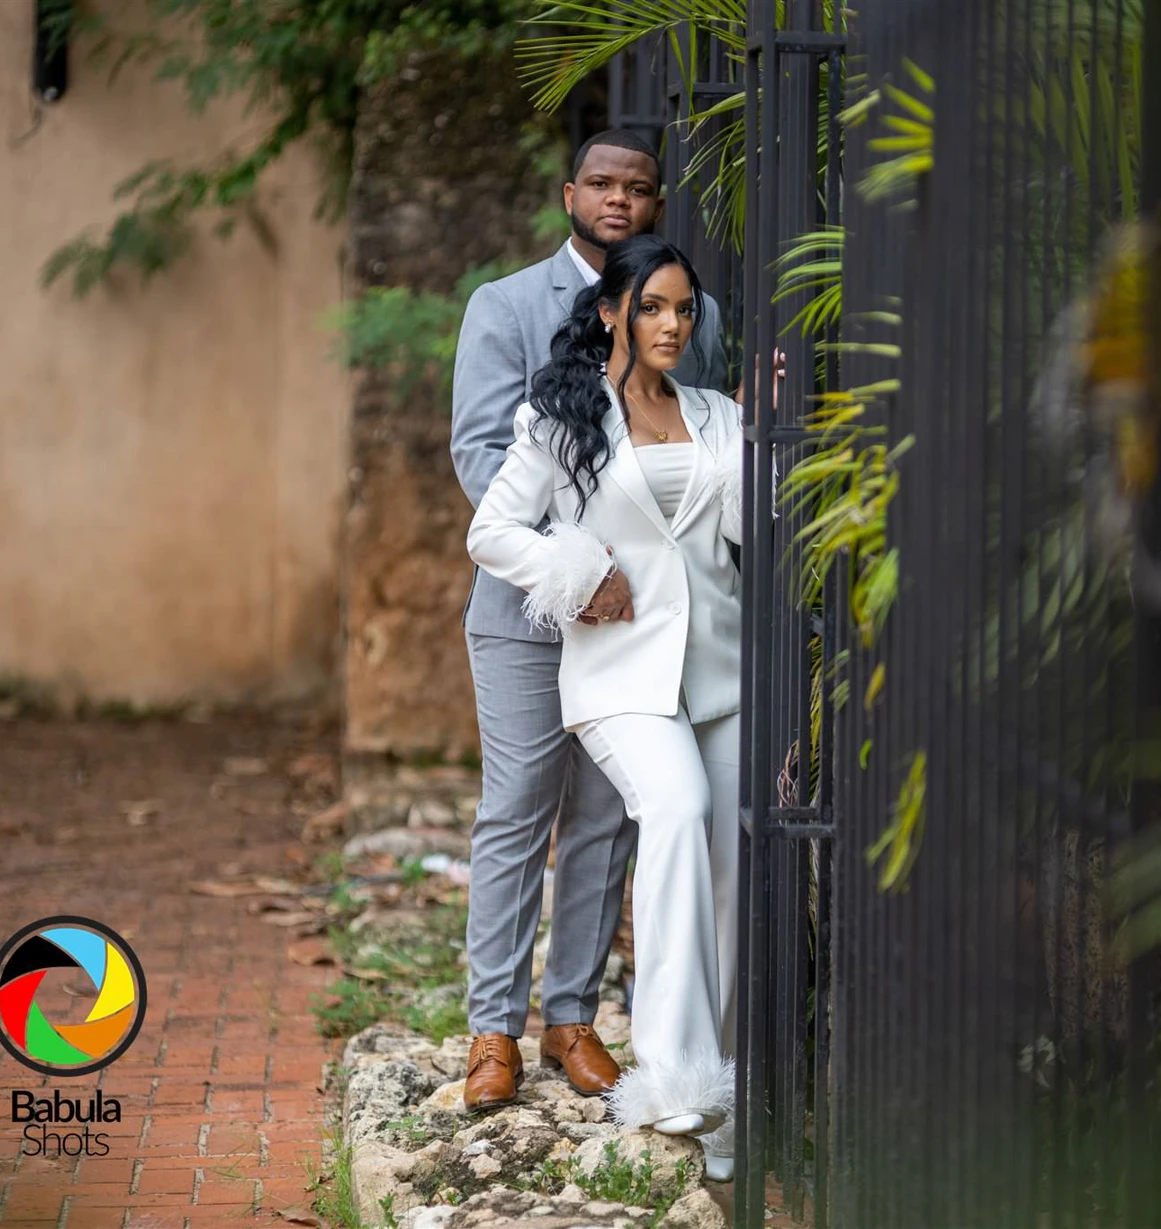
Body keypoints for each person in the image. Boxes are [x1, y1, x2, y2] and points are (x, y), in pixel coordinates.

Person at [450, 129, 730, 1112]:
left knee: (607, 820)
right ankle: (493, 1028)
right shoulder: (504, 305)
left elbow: (698, 449)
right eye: (601, 183)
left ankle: (571, 1018)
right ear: (570, 190)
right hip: (532, 614)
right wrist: (581, 558)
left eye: (637, 189)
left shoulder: (692, 307)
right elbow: (483, 453)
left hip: (638, 629)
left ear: (656, 204)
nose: (618, 200)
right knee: (519, 807)